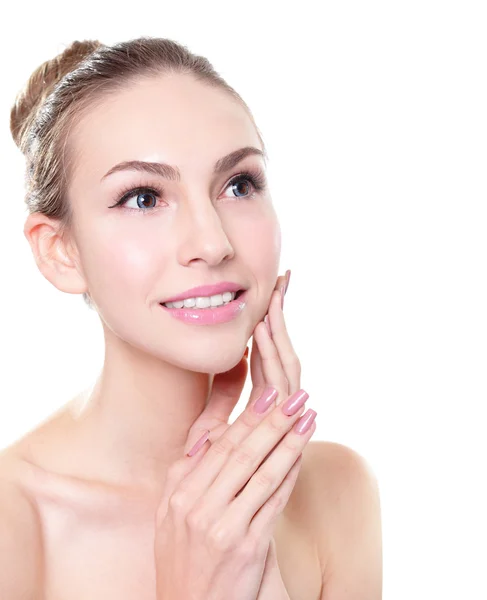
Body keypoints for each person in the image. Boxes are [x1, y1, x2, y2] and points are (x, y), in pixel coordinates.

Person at [1, 36, 382, 599]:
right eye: (142, 198)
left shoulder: (336, 492)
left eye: (238, 184)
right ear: (61, 250)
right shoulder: (17, 520)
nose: (212, 241)